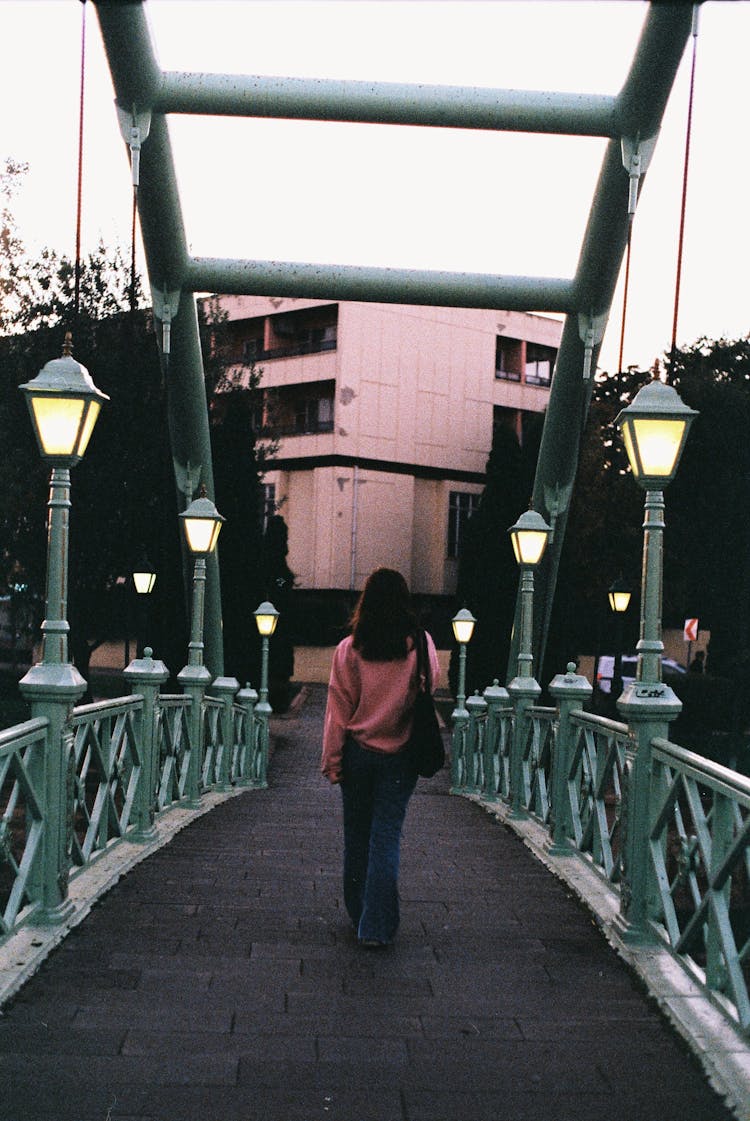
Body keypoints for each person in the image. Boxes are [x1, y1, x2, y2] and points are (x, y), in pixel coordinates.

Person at [321, 568, 441, 948]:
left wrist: (332, 760)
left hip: (357, 754)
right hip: (401, 754)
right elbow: (432, 684)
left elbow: (338, 710)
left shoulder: (349, 650)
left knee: (356, 837)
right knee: (386, 837)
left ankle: (360, 912)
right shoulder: (420, 645)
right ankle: (375, 926)